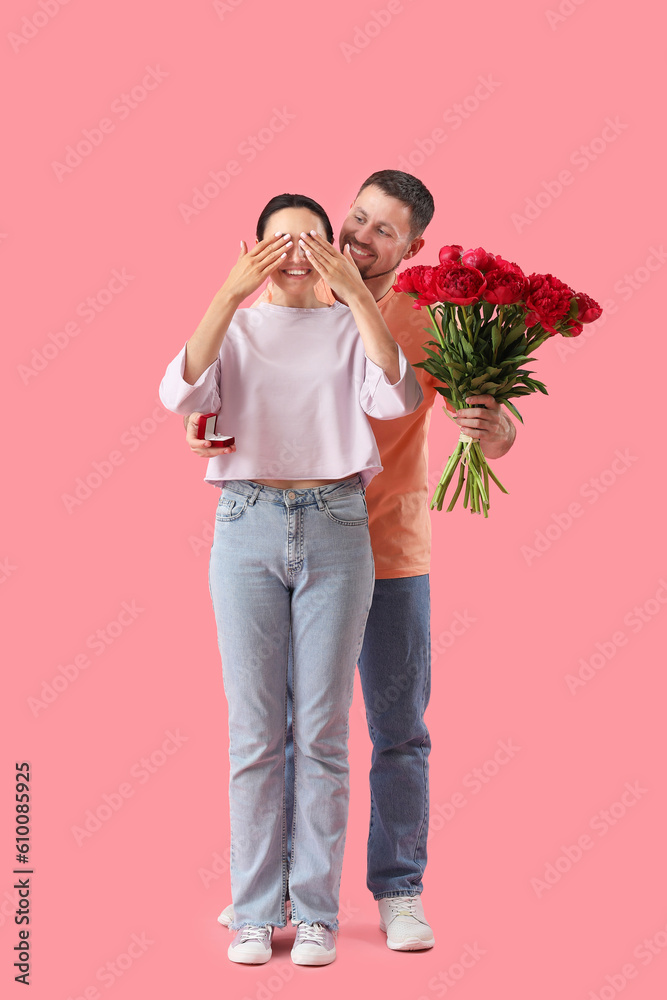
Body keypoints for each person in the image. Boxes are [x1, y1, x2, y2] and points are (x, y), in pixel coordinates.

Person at [185, 171, 517, 951]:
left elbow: (488, 430)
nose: (360, 238)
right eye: (357, 219)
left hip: (387, 543)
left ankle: (398, 888)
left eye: (383, 231)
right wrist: (209, 428)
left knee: (396, 727)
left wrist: (491, 426)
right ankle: (274, 890)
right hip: (273, 533)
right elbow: (222, 395)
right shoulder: (296, 284)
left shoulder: (438, 321)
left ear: (413, 248)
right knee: (283, 725)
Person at [159, 193, 422, 967]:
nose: (298, 252)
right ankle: (252, 911)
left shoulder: (350, 328)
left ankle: (314, 914)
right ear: (254, 250)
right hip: (246, 527)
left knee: (320, 731)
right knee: (252, 732)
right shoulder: (235, 329)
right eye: (280, 242)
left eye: (313, 239)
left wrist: (354, 298)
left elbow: (397, 394)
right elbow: (179, 394)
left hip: (338, 525)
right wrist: (227, 292)